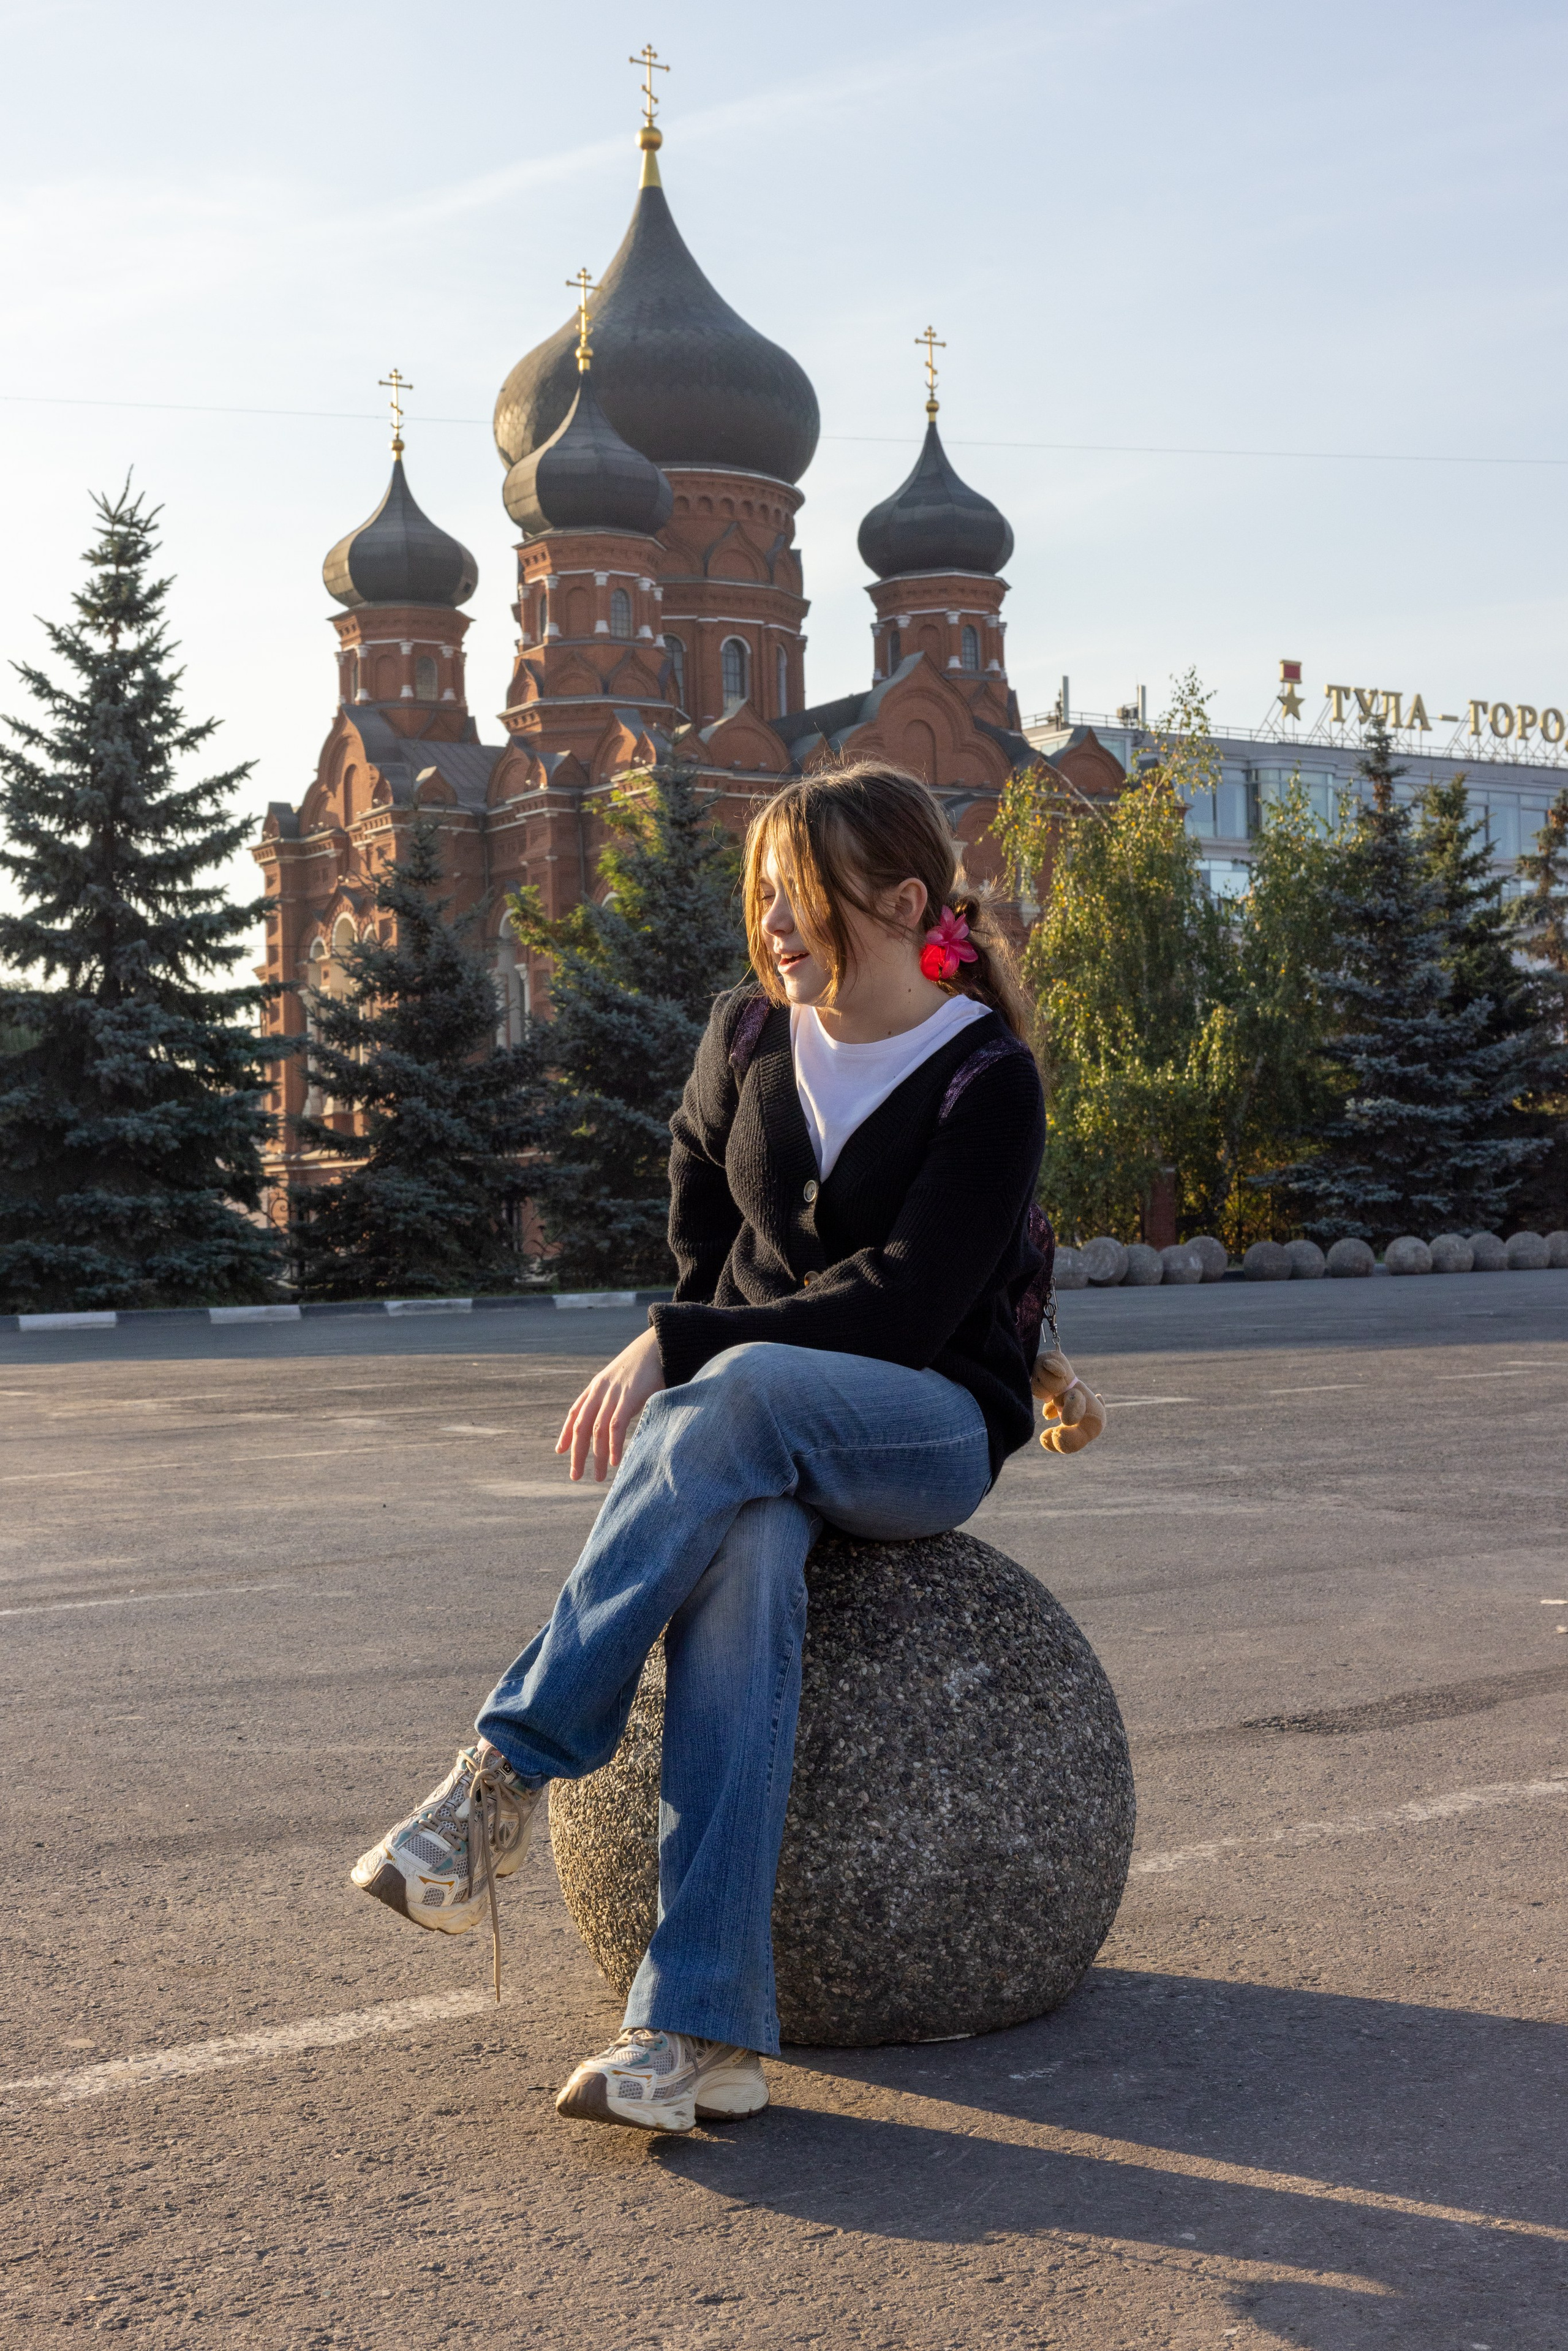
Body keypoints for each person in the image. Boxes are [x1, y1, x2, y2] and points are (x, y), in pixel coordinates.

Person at [350, 762, 1048, 2135]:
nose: (774, 924)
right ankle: (698, 2031)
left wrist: (680, 1343)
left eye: (803, 895)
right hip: (756, 1436)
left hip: (925, 1423)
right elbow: (705, 1247)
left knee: (727, 1397)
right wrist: (702, 1332)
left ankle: (498, 1781)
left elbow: (908, 1307)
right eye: (763, 894)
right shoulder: (742, 1035)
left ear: (904, 901)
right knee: (736, 1558)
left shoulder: (984, 1076)